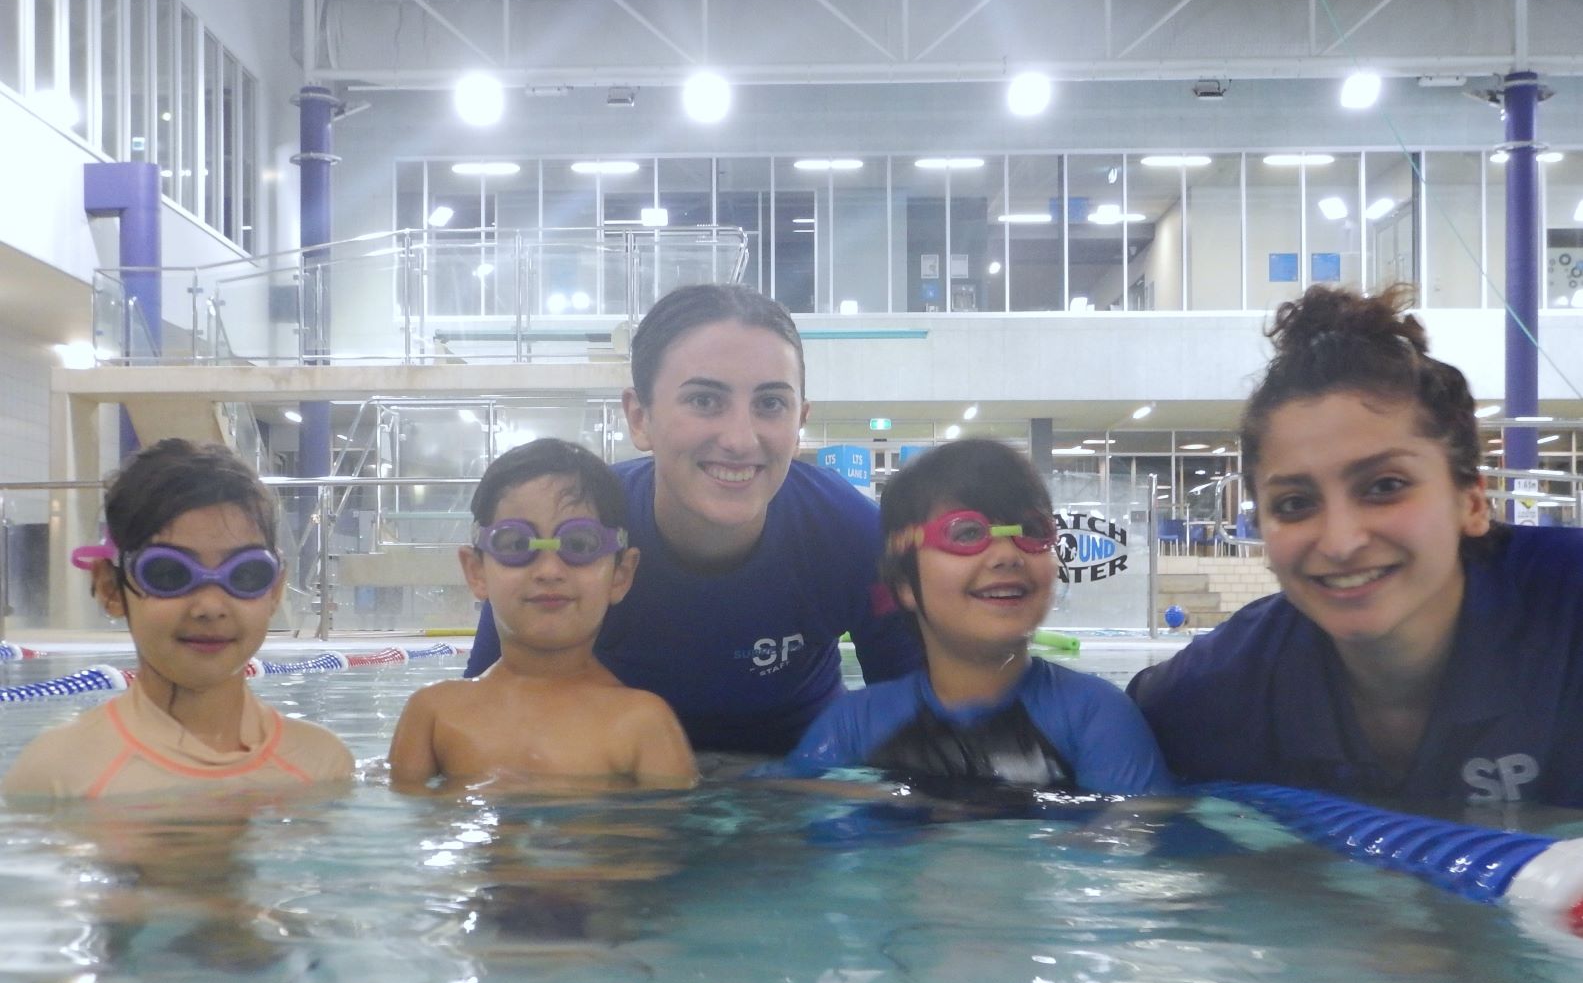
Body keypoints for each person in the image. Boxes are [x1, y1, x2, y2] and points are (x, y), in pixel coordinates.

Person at [1129, 283, 1583, 807]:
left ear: (1473, 503)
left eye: (1385, 486)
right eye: (1295, 503)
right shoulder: (1212, 694)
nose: (1342, 542)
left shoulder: (1568, 617)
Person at [464, 284, 922, 754]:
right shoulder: (581, 532)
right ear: (640, 418)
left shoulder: (849, 535)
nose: (741, 440)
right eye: (705, 401)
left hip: (798, 781)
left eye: (770, 404)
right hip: (616, 781)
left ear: (799, 420)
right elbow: (485, 718)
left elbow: (920, 726)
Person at [783, 439, 1173, 795]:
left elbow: (1138, 838)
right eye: (967, 533)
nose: (1007, 554)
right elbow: (792, 814)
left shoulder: (1095, 716)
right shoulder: (854, 724)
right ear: (903, 582)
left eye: (1032, 530)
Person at [2, 439, 354, 799]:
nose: (210, 606)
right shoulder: (56, 774)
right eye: (169, 573)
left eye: (246, 574)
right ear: (110, 587)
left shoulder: (322, 765)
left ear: (275, 589)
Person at [389, 438, 696, 789]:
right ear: (476, 572)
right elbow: (411, 826)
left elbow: (661, 839)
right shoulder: (434, 712)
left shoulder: (642, 723)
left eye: (579, 544)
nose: (549, 570)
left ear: (621, 575)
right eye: (516, 545)